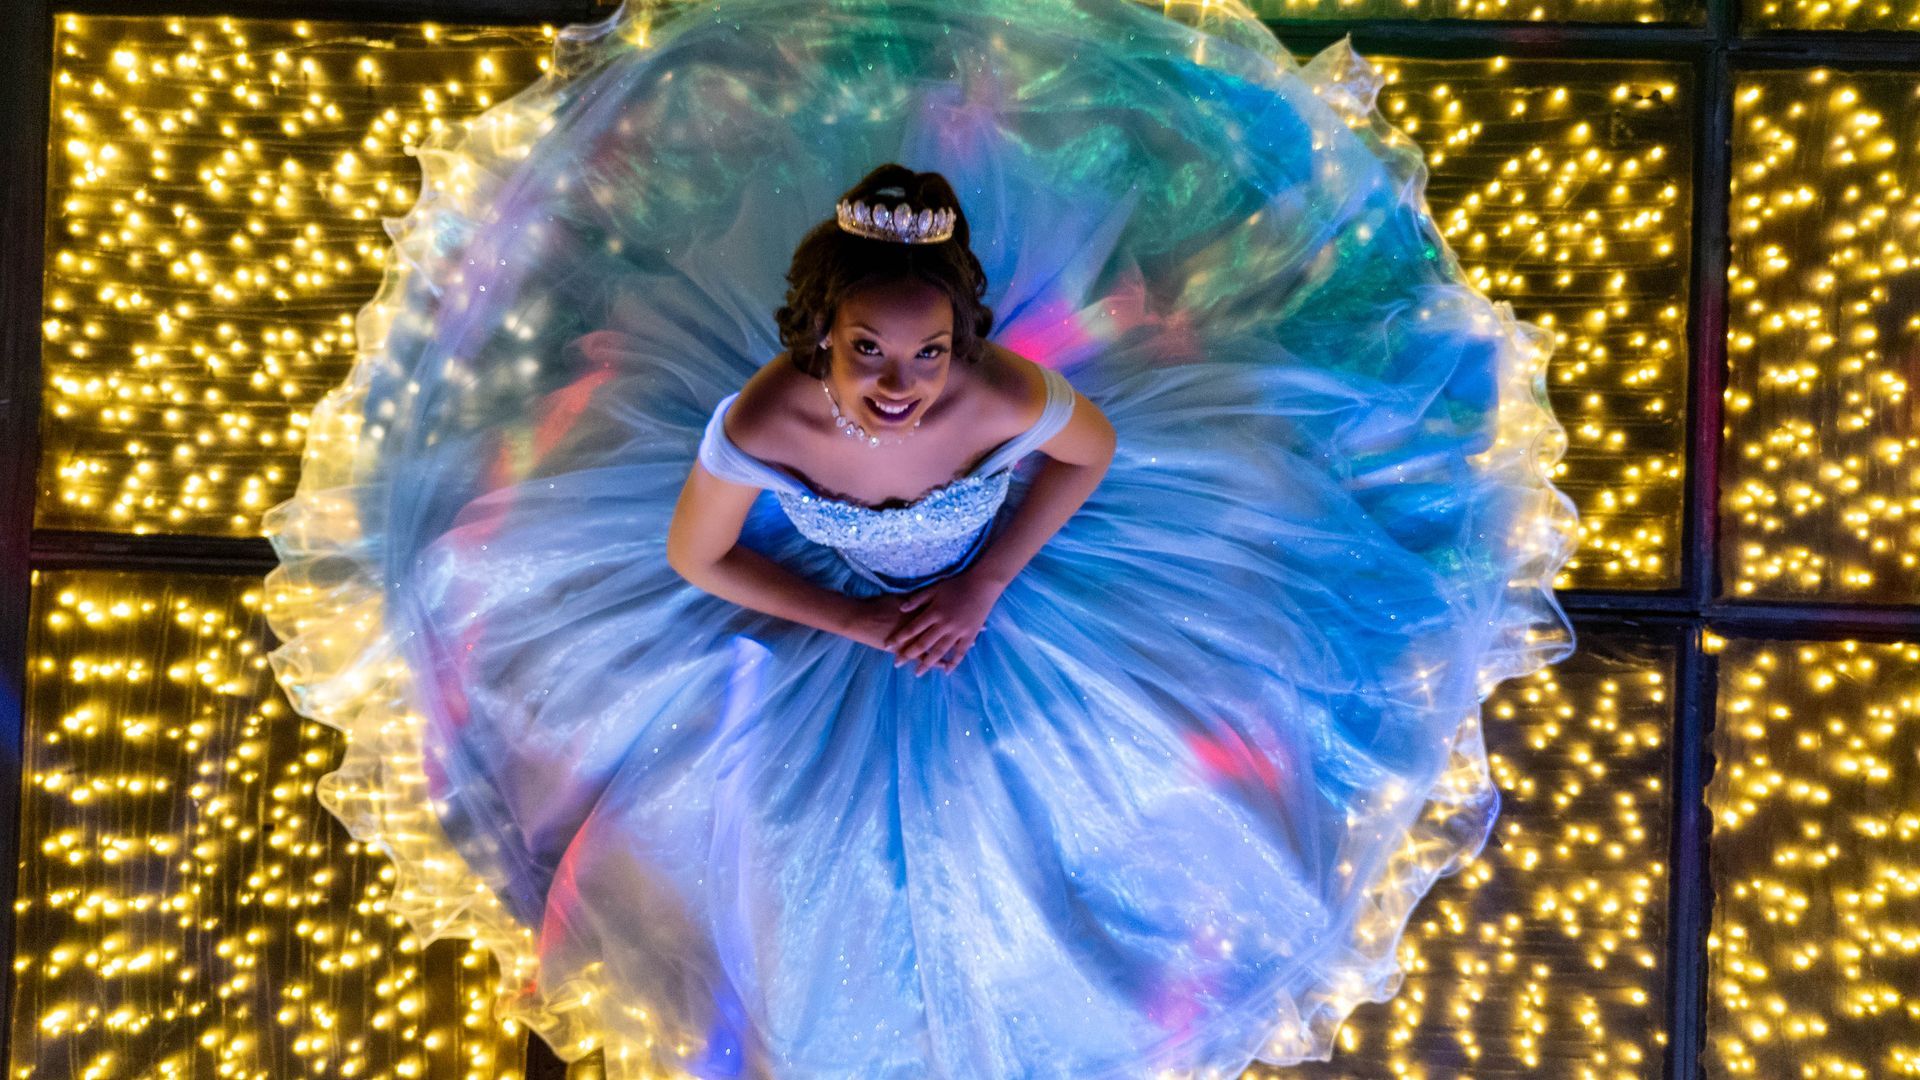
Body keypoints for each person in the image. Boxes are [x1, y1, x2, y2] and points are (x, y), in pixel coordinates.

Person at [260, 0, 1580, 1076]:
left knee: (1103, 797)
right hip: (827, 605)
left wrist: (983, 582)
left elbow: (1092, 453)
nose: (899, 385)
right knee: (776, 841)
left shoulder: (1000, 392)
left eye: (928, 354)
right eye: (869, 354)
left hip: (1018, 589)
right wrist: (868, 618)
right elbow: (699, 560)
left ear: (965, 343)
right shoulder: (768, 416)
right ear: (818, 338)